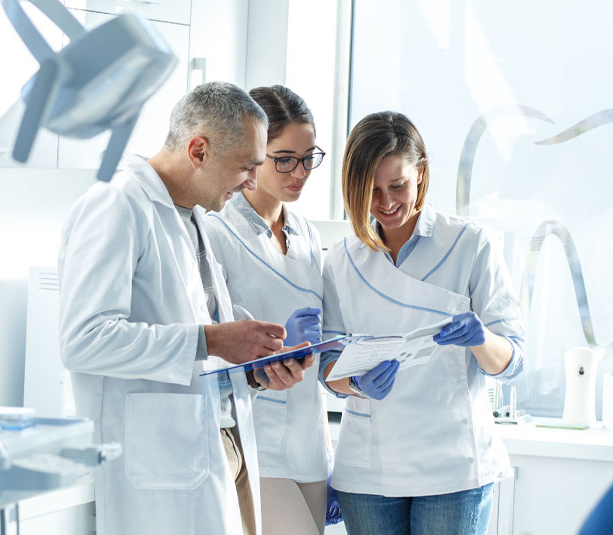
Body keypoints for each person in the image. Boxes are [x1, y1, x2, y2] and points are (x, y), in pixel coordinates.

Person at [57, 81, 314, 535]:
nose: (251, 182)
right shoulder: (117, 204)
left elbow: (198, 350)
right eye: (246, 167)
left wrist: (255, 370)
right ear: (198, 151)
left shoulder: (192, 216)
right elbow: (84, 340)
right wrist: (213, 339)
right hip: (161, 462)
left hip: (222, 446)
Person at [319, 111, 525, 535]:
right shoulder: (341, 259)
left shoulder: (469, 245)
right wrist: (356, 383)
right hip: (369, 470)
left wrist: (481, 339)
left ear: (422, 173)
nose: (386, 203)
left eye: (397, 185)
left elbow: (513, 361)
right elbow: (328, 367)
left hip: (452, 468)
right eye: (371, 190)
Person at [204, 85, 336, 534]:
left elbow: (318, 349)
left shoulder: (307, 234)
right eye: (284, 159)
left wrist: (327, 453)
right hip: (254, 440)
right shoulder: (217, 232)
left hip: (309, 444)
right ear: (255, 154)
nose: (299, 173)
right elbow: (208, 350)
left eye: (308, 158)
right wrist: (269, 353)